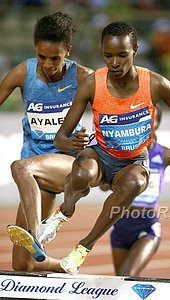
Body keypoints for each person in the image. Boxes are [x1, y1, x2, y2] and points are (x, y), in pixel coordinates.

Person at [7, 21, 170, 275]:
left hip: (132, 162)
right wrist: (70, 142)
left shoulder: (154, 83)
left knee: (134, 183)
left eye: (122, 55)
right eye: (108, 55)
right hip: (99, 156)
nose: (114, 63)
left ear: (136, 50)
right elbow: (61, 136)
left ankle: (83, 248)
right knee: (80, 174)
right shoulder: (92, 84)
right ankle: (60, 217)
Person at [4, 12, 93, 272]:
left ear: (68, 51)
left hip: (66, 167)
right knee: (22, 264)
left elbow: (110, 115)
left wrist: (86, 141)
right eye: (42, 56)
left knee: (20, 166)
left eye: (56, 58)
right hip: (34, 180)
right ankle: (64, 266)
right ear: (35, 51)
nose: (48, 64)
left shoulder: (83, 77)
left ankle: (37, 234)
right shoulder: (24, 72)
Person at [108, 104, 170, 277]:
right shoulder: (124, 153)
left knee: (127, 274)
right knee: (119, 282)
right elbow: (105, 186)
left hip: (147, 225)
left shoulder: (165, 154)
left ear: (157, 123)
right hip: (119, 224)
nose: (146, 122)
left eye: (151, 118)